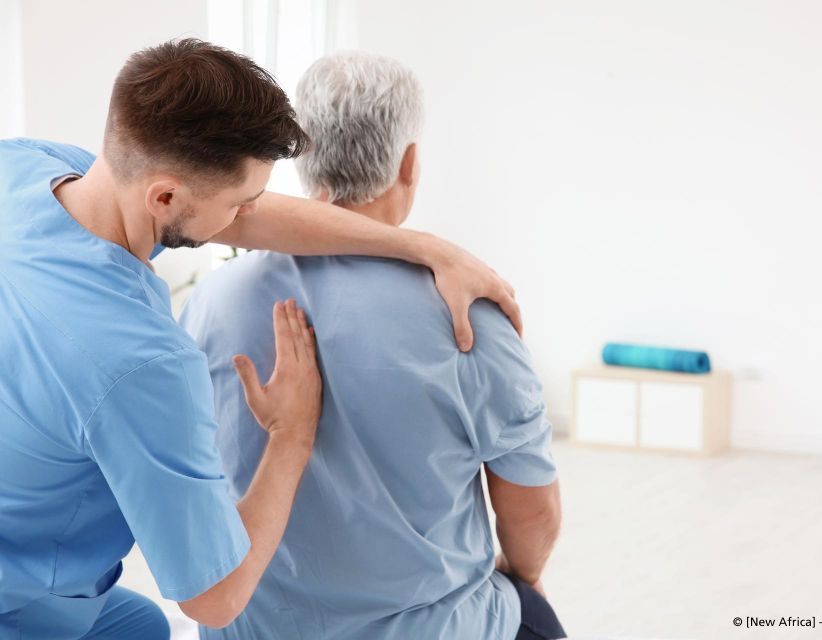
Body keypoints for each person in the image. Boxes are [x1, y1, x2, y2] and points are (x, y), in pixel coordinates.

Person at [0, 39, 521, 639]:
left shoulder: (28, 169)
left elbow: (251, 216)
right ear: (164, 197)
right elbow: (215, 598)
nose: (247, 216)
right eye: (239, 202)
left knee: (139, 624)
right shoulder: (141, 362)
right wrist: (291, 436)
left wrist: (427, 248)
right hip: (21, 601)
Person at [180, 51, 565, 640]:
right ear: (409, 164)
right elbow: (529, 511)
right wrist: (523, 575)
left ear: (299, 156)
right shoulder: (470, 317)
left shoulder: (212, 301)